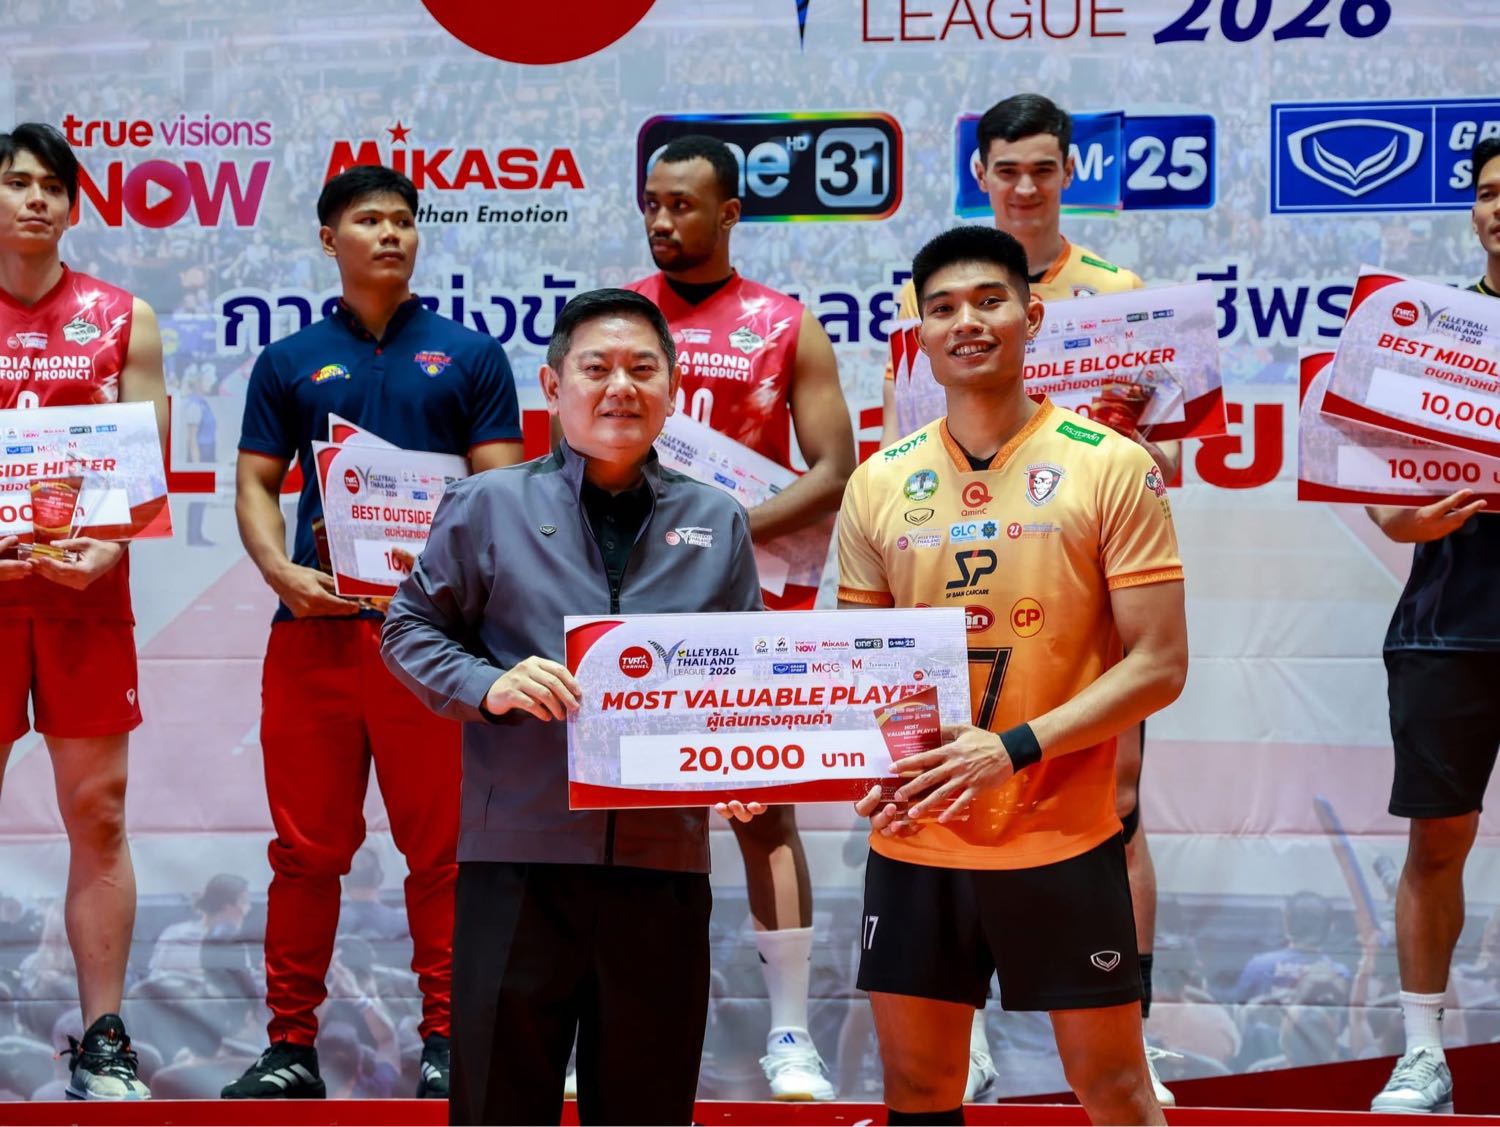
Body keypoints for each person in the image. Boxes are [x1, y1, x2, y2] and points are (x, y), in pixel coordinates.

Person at [382, 287, 764, 1125]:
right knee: (498, 1103)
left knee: (646, 1108)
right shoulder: (489, 504)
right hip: (518, 858)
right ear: (554, 387)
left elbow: (747, 676)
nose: (620, 386)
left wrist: (750, 764)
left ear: (673, 388)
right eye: (597, 368)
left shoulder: (717, 519)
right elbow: (408, 627)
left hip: (663, 867)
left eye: (642, 369)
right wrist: (488, 684)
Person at [838, 225, 1187, 1126]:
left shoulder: (1111, 465)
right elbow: (866, 669)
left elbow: (1160, 664)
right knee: (920, 1093)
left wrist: (1012, 748)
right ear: (919, 332)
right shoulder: (877, 482)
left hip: (1063, 834)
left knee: (1115, 1088)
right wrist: (871, 764)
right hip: (919, 843)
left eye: (989, 301)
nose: (967, 321)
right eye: (943, 307)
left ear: (1032, 318)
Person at [223, 164, 523, 1100]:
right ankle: (289, 1046)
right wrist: (279, 571)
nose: (391, 233)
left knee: (444, 853)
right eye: (368, 219)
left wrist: (447, 592)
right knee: (305, 852)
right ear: (330, 239)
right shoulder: (289, 360)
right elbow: (255, 483)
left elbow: (499, 492)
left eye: (403, 220)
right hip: (315, 632)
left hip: (430, 640)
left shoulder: (470, 355)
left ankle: (450, 1038)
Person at [626, 133, 856, 1101]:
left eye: (682, 204)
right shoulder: (617, 319)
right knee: (627, 821)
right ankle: (612, 1026)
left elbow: (836, 469)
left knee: (764, 811)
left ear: (728, 213)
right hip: (634, 601)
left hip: (749, 602)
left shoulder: (787, 325)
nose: (662, 220)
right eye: (652, 203)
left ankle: (791, 1034)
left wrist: (720, 531)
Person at [0, 121, 167, 1101]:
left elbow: (146, 476)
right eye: (16, 181)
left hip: (83, 596)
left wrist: (114, 542)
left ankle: (103, 1037)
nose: (35, 198)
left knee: (97, 812)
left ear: (73, 205)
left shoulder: (121, 317)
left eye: (52, 186)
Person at [1363, 135, 1500, 1116]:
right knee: (1437, 842)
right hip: (1449, 625)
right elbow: (1384, 493)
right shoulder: (1436, 336)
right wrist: (1409, 519)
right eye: (1489, 192)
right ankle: (1422, 1052)